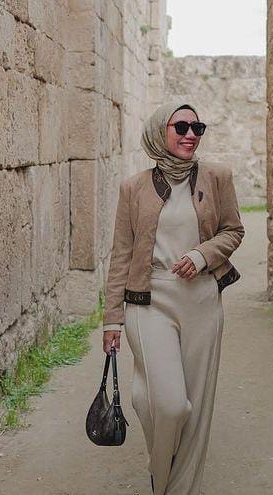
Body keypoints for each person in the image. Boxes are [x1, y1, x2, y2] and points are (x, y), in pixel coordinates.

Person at [102, 100, 245, 495]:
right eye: (181, 127)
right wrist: (112, 319)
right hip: (148, 302)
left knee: (196, 409)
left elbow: (233, 230)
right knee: (169, 405)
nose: (190, 135)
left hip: (201, 301)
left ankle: (177, 488)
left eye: (197, 128)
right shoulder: (133, 187)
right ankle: (160, 464)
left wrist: (202, 255)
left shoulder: (217, 177)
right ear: (158, 132)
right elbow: (121, 255)